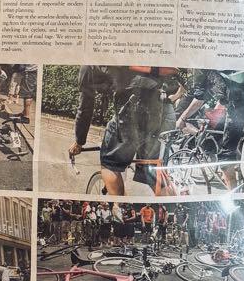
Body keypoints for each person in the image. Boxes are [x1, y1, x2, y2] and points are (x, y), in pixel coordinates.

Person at [69, 65, 176, 196]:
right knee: (153, 171)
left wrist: (79, 141)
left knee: (110, 163)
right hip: (164, 107)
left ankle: (121, 207)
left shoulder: (88, 66)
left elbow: (85, 107)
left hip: (134, 107)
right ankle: (173, 208)